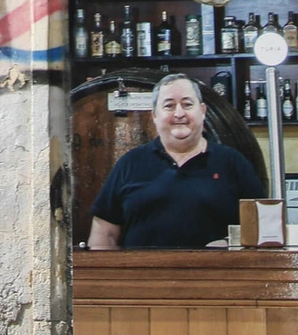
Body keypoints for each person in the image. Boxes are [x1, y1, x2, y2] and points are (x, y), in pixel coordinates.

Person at [88, 76, 261, 249]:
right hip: (143, 275)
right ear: (155, 115)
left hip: (215, 274)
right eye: (169, 106)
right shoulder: (130, 163)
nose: (179, 114)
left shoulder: (233, 163)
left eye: (187, 104)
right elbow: (104, 233)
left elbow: (260, 226)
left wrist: (229, 243)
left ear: (202, 111)